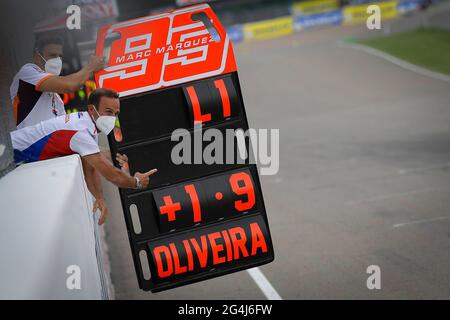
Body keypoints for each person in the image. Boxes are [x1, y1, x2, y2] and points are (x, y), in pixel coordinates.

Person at [10, 88, 157, 225]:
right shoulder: (82, 132)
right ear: (92, 109)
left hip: (13, 155)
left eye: (116, 113)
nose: (112, 118)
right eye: (108, 111)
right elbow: (113, 176)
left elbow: (90, 168)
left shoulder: (86, 124)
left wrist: (99, 197)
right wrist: (136, 182)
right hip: (10, 154)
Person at [10, 35, 105, 129]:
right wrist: (91, 67)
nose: (57, 60)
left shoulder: (56, 98)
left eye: (60, 56)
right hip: (32, 142)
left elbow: (63, 129)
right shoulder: (27, 72)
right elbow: (70, 85)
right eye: (52, 55)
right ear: (37, 57)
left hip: (47, 142)